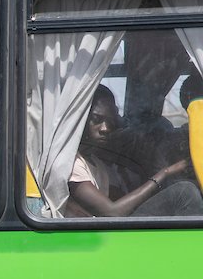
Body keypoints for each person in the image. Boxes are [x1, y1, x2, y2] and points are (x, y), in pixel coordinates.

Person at [67, 85, 203, 218]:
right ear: (81, 119)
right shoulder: (72, 165)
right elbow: (112, 212)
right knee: (184, 192)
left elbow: (125, 202)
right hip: (98, 237)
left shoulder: (97, 165)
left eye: (110, 122)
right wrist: (165, 173)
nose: (105, 128)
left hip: (107, 232)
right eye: (97, 120)